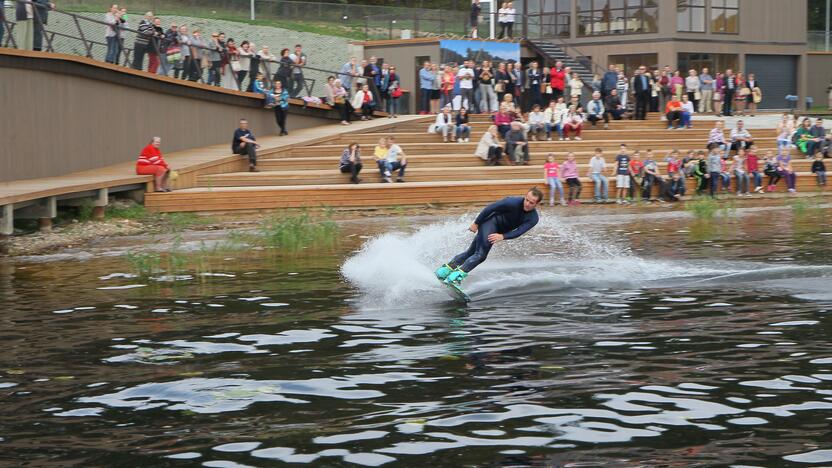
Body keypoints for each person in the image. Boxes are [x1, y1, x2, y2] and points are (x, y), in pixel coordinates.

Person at [435, 188, 542, 286]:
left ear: (536, 204)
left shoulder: (533, 218)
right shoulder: (512, 202)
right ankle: (454, 278)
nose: (527, 204)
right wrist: (476, 223)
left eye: (531, 202)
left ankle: (444, 271)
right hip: (490, 223)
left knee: (471, 252)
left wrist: (503, 236)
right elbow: (490, 208)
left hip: (498, 232)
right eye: (526, 200)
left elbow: (519, 231)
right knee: (481, 255)